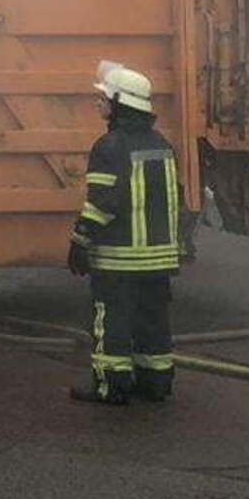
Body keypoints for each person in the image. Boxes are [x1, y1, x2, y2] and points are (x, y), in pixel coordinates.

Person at [67, 62, 181, 405]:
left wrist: (80, 239)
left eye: (102, 97)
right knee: (153, 320)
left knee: (111, 320)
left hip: (118, 257)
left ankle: (110, 386)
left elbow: (103, 203)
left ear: (120, 102)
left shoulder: (109, 146)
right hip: (158, 258)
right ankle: (156, 381)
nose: (97, 103)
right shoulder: (162, 144)